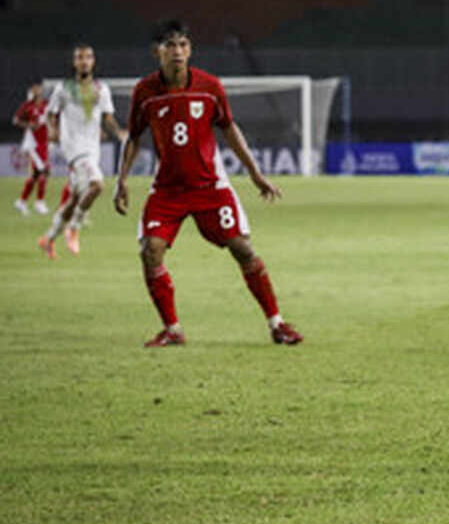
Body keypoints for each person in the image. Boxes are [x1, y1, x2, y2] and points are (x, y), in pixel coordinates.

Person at [113, 20, 303, 347]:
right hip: (168, 190)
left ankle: (277, 324)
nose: (177, 52)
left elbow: (229, 128)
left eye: (183, 45)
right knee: (150, 251)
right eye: (170, 45)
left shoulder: (210, 86)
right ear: (157, 52)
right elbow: (133, 137)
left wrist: (255, 173)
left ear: (191, 50)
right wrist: (122, 181)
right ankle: (172, 330)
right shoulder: (145, 92)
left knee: (243, 248)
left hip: (210, 187)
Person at [38, 44, 126, 258]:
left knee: (76, 198)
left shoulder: (101, 89)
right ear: (74, 62)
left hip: (92, 148)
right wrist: (53, 130)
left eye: (88, 57)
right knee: (97, 185)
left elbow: (107, 117)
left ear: (93, 61)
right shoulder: (63, 88)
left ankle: (48, 239)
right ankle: (74, 228)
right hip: (73, 147)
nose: (84, 61)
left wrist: (119, 133)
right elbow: (51, 113)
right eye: (79, 57)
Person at [12, 78, 50, 215]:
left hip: (44, 142)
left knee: (35, 175)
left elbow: (53, 117)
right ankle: (39, 202)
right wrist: (29, 125)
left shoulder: (47, 104)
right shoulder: (28, 106)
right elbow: (15, 120)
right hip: (33, 144)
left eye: (39, 88)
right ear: (32, 90)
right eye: (34, 88)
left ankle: (21, 202)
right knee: (44, 171)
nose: (37, 91)